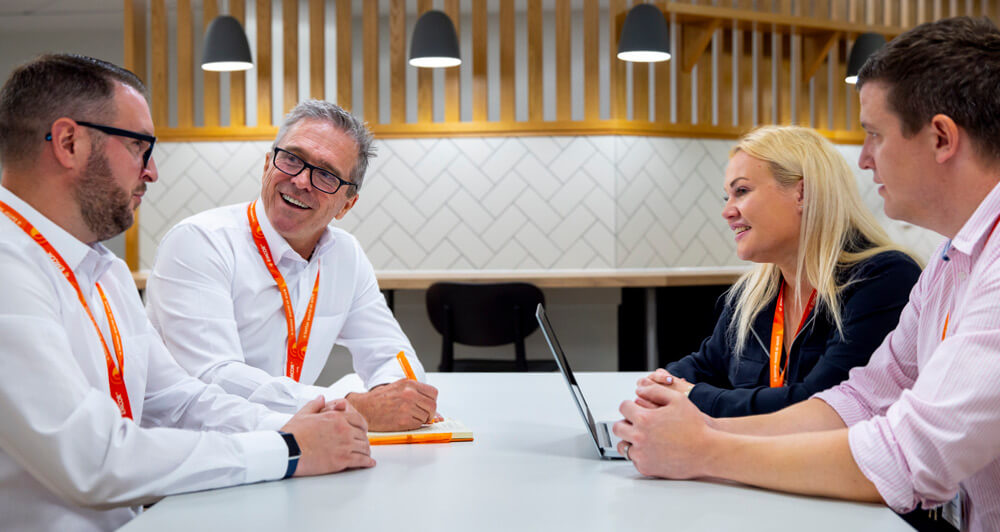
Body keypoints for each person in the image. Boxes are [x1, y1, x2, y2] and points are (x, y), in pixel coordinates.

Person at [613, 16, 1000, 532]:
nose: (863, 160)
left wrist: (705, 449)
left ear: (941, 138)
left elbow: (909, 459)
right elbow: (861, 399)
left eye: (874, 135)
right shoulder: (954, 261)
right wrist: (694, 432)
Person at [0, 54, 374, 532]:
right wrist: (289, 448)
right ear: (70, 142)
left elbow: (179, 399)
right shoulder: (9, 268)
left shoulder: (102, 270)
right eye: (140, 147)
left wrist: (308, 421)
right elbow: (94, 461)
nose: (152, 171)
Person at [145, 100, 437, 432]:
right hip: (194, 448)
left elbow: (390, 352)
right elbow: (214, 376)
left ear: (347, 204)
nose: (300, 181)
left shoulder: (345, 256)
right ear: (267, 164)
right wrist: (351, 409)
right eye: (292, 159)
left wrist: (400, 397)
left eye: (326, 175)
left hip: (289, 446)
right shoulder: (200, 242)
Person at [662, 126, 920, 417]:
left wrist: (692, 397)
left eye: (742, 191)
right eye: (727, 197)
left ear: (802, 192)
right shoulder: (752, 295)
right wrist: (662, 385)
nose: (728, 211)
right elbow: (704, 366)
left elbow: (820, 407)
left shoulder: (883, 279)